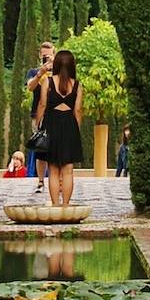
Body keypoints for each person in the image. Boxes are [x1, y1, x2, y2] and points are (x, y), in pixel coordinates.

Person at [34, 50, 84, 207]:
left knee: (53, 169)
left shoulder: (48, 82)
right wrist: (77, 129)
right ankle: (66, 205)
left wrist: (38, 123)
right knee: (68, 170)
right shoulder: (77, 85)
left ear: (55, 65)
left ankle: (55, 205)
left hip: (51, 124)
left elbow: (42, 104)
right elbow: (77, 110)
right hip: (69, 125)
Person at [24, 41, 55, 192]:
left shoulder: (59, 72)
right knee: (40, 147)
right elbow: (30, 86)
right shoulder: (33, 72)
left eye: (48, 56)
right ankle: (41, 181)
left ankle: (58, 180)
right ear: (39, 55)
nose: (46, 58)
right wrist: (41, 72)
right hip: (38, 115)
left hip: (57, 114)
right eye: (43, 56)